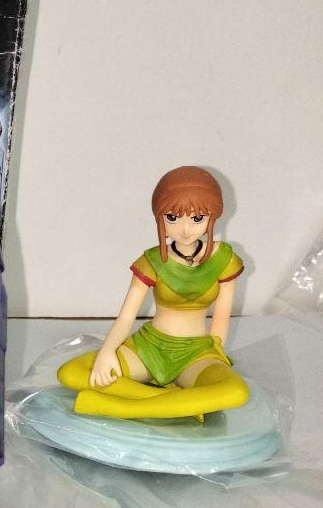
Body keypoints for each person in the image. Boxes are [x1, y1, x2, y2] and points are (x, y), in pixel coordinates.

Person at [57, 166, 249, 419]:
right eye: (172, 217)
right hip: (148, 348)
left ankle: (124, 407)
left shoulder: (224, 259)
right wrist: (107, 351)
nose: (185, 229)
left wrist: (217, 354)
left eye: (197, 218)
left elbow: (222, 316)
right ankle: (176, 403)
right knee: (71, 372)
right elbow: (127, 316)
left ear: (212, 216)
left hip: (196, 353)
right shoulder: (152, 261)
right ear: (160, 217)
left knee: (236, 392)